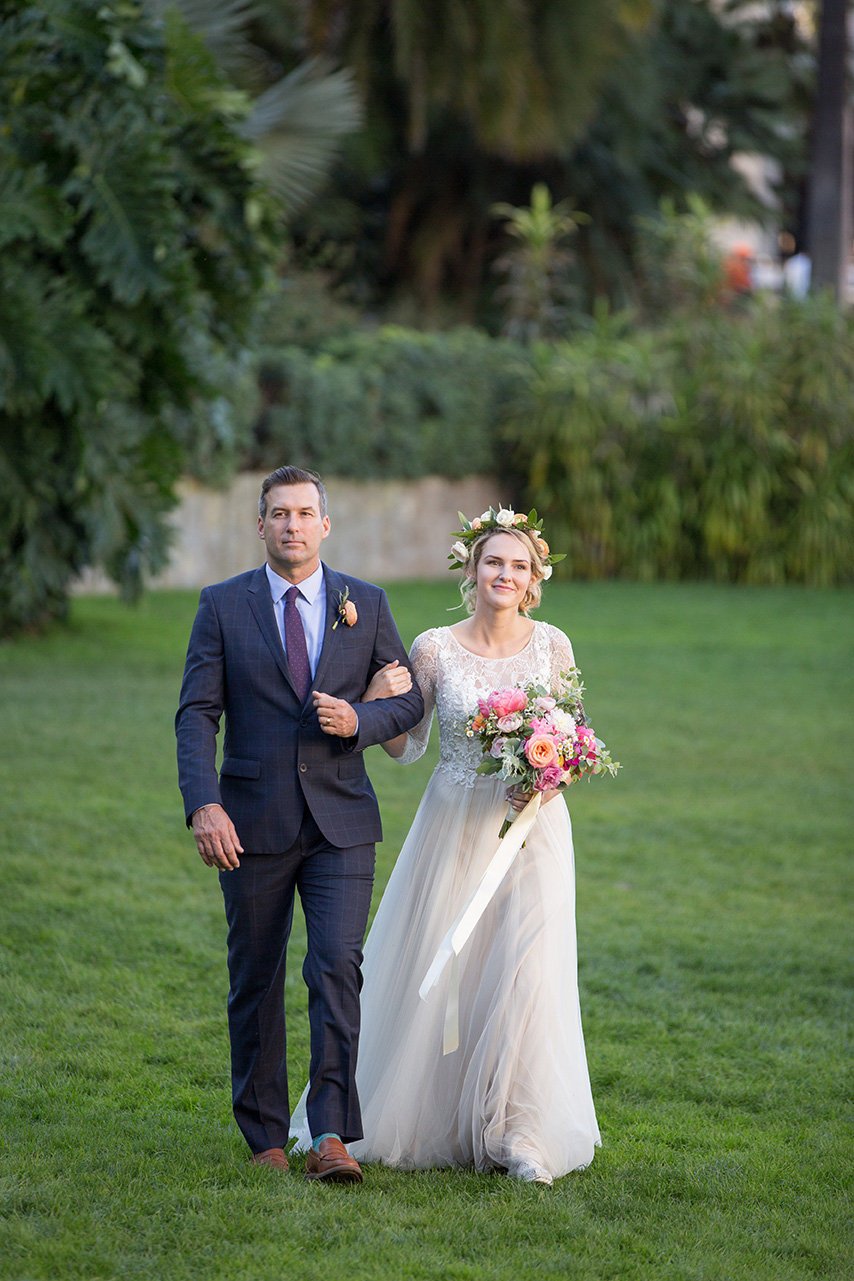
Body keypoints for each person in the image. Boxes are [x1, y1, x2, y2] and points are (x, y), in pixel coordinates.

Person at [290, 508, 601, 1184]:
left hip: (533, 829)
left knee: (527, 971)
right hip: (455, 823)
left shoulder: (553, 645)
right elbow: (407, 744)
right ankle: (429, 1112)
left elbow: (577, 740)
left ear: (534, 578)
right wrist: (378, 696)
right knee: (451, 967)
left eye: (519, 565)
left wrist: (549, 780)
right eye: (494, 561)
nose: (505, 574)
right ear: (471, 569)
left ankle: (520, 1134)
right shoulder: (434, 647)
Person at [175, 466, 424, 1183]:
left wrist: (361, 720)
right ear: (261, 525)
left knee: (337, 968)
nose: (292, 524)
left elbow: (407, 700)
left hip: (342, 821)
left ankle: (332, 1133)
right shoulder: (221, 605)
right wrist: (203, 801)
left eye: (304, 512)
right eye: (278, 513)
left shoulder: (365, 603)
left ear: (325, 524)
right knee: (255, 973)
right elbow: (197, 713)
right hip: (248, 820)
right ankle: (264, 1138)